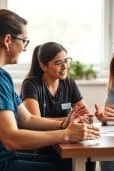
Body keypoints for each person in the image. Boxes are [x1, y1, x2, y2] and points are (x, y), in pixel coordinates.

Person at [0, 2, 99, 171]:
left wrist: (64, 125)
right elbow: (12, 139)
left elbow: (27, 120)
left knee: (70, 161)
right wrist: (67, 134)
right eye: (24, 41)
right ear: (7, 40)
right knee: (71, 166)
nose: (25, 48)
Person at [20, 42, 94, 171]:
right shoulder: (31, 84)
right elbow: (35, 122)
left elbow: (86, 115)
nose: (65, 66)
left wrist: (82, 119)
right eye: (59, 63)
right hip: (43, 144)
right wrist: (68, 120)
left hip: (66, 140)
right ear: (44, 66)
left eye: (66, 61)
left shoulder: (69, 83)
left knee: (88, 158)